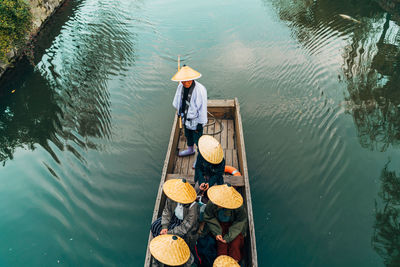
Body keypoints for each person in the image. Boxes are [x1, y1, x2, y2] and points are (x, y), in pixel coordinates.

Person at [151, 179, 199, 253]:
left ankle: (170, 250)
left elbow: (186, 226)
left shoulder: (193, 206)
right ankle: (162, 245)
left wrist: (169, 233)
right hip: (173, 218)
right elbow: (167, 211)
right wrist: (164, 226)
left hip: (183, 224)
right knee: (155, 226)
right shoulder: (172, 197)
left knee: (175, 239)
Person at [203, 184, 247, 263]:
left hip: (234, 226)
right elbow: (208, 217)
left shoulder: (238, 206)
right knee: (221, 245)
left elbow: (241, 221)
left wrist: (228, 237)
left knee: (235, 245)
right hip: (218, 224)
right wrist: (217, 233)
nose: (218, 204)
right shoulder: (212, 202)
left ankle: (234, 263)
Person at [172, 65, 207, 157]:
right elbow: (178, 100)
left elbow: (203, 108)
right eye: (183, 80)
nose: (185, 83)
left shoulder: (200, 90)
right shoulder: (181, 86)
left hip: (195, 120)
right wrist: (179, 112)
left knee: (198, 139)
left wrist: (200, 123)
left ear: (192, 79)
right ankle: (190, 150)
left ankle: (200, 157)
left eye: (187, 80)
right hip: (185, 117)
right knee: (188, 135)